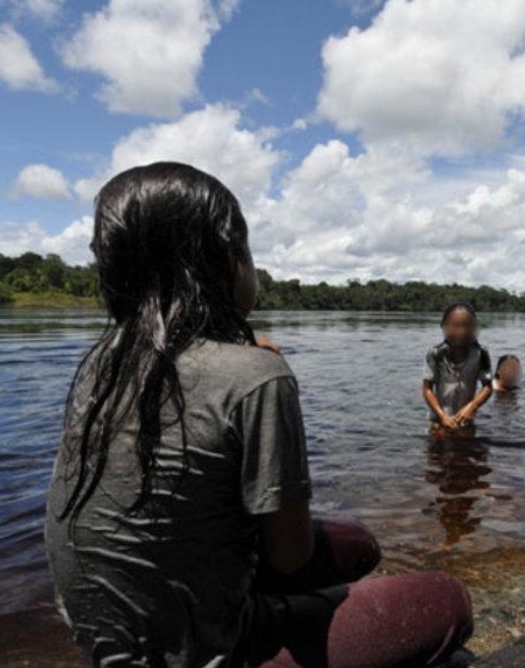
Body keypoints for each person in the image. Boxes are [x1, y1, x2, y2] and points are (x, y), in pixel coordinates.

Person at [44, 162, 473, 668]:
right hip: (206, 653)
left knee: (357, 546)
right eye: (247, 251)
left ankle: (266, 612)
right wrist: (260, 366)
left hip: (108, 640)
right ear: (227, 261)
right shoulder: (258, 375)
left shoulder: (101, 364)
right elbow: (289, 554)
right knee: (448, 602)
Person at [422, 303, 493, 437]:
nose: (461, 331)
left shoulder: (481, 353)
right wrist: (442, 416)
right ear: (445, 326)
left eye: (466, 326)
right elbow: (427, 389)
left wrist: (472, 407)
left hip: (466, 419)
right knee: (437, 454)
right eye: (456, 326)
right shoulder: (436, 353)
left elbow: (487, 387)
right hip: (438, 419)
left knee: (466, 454)